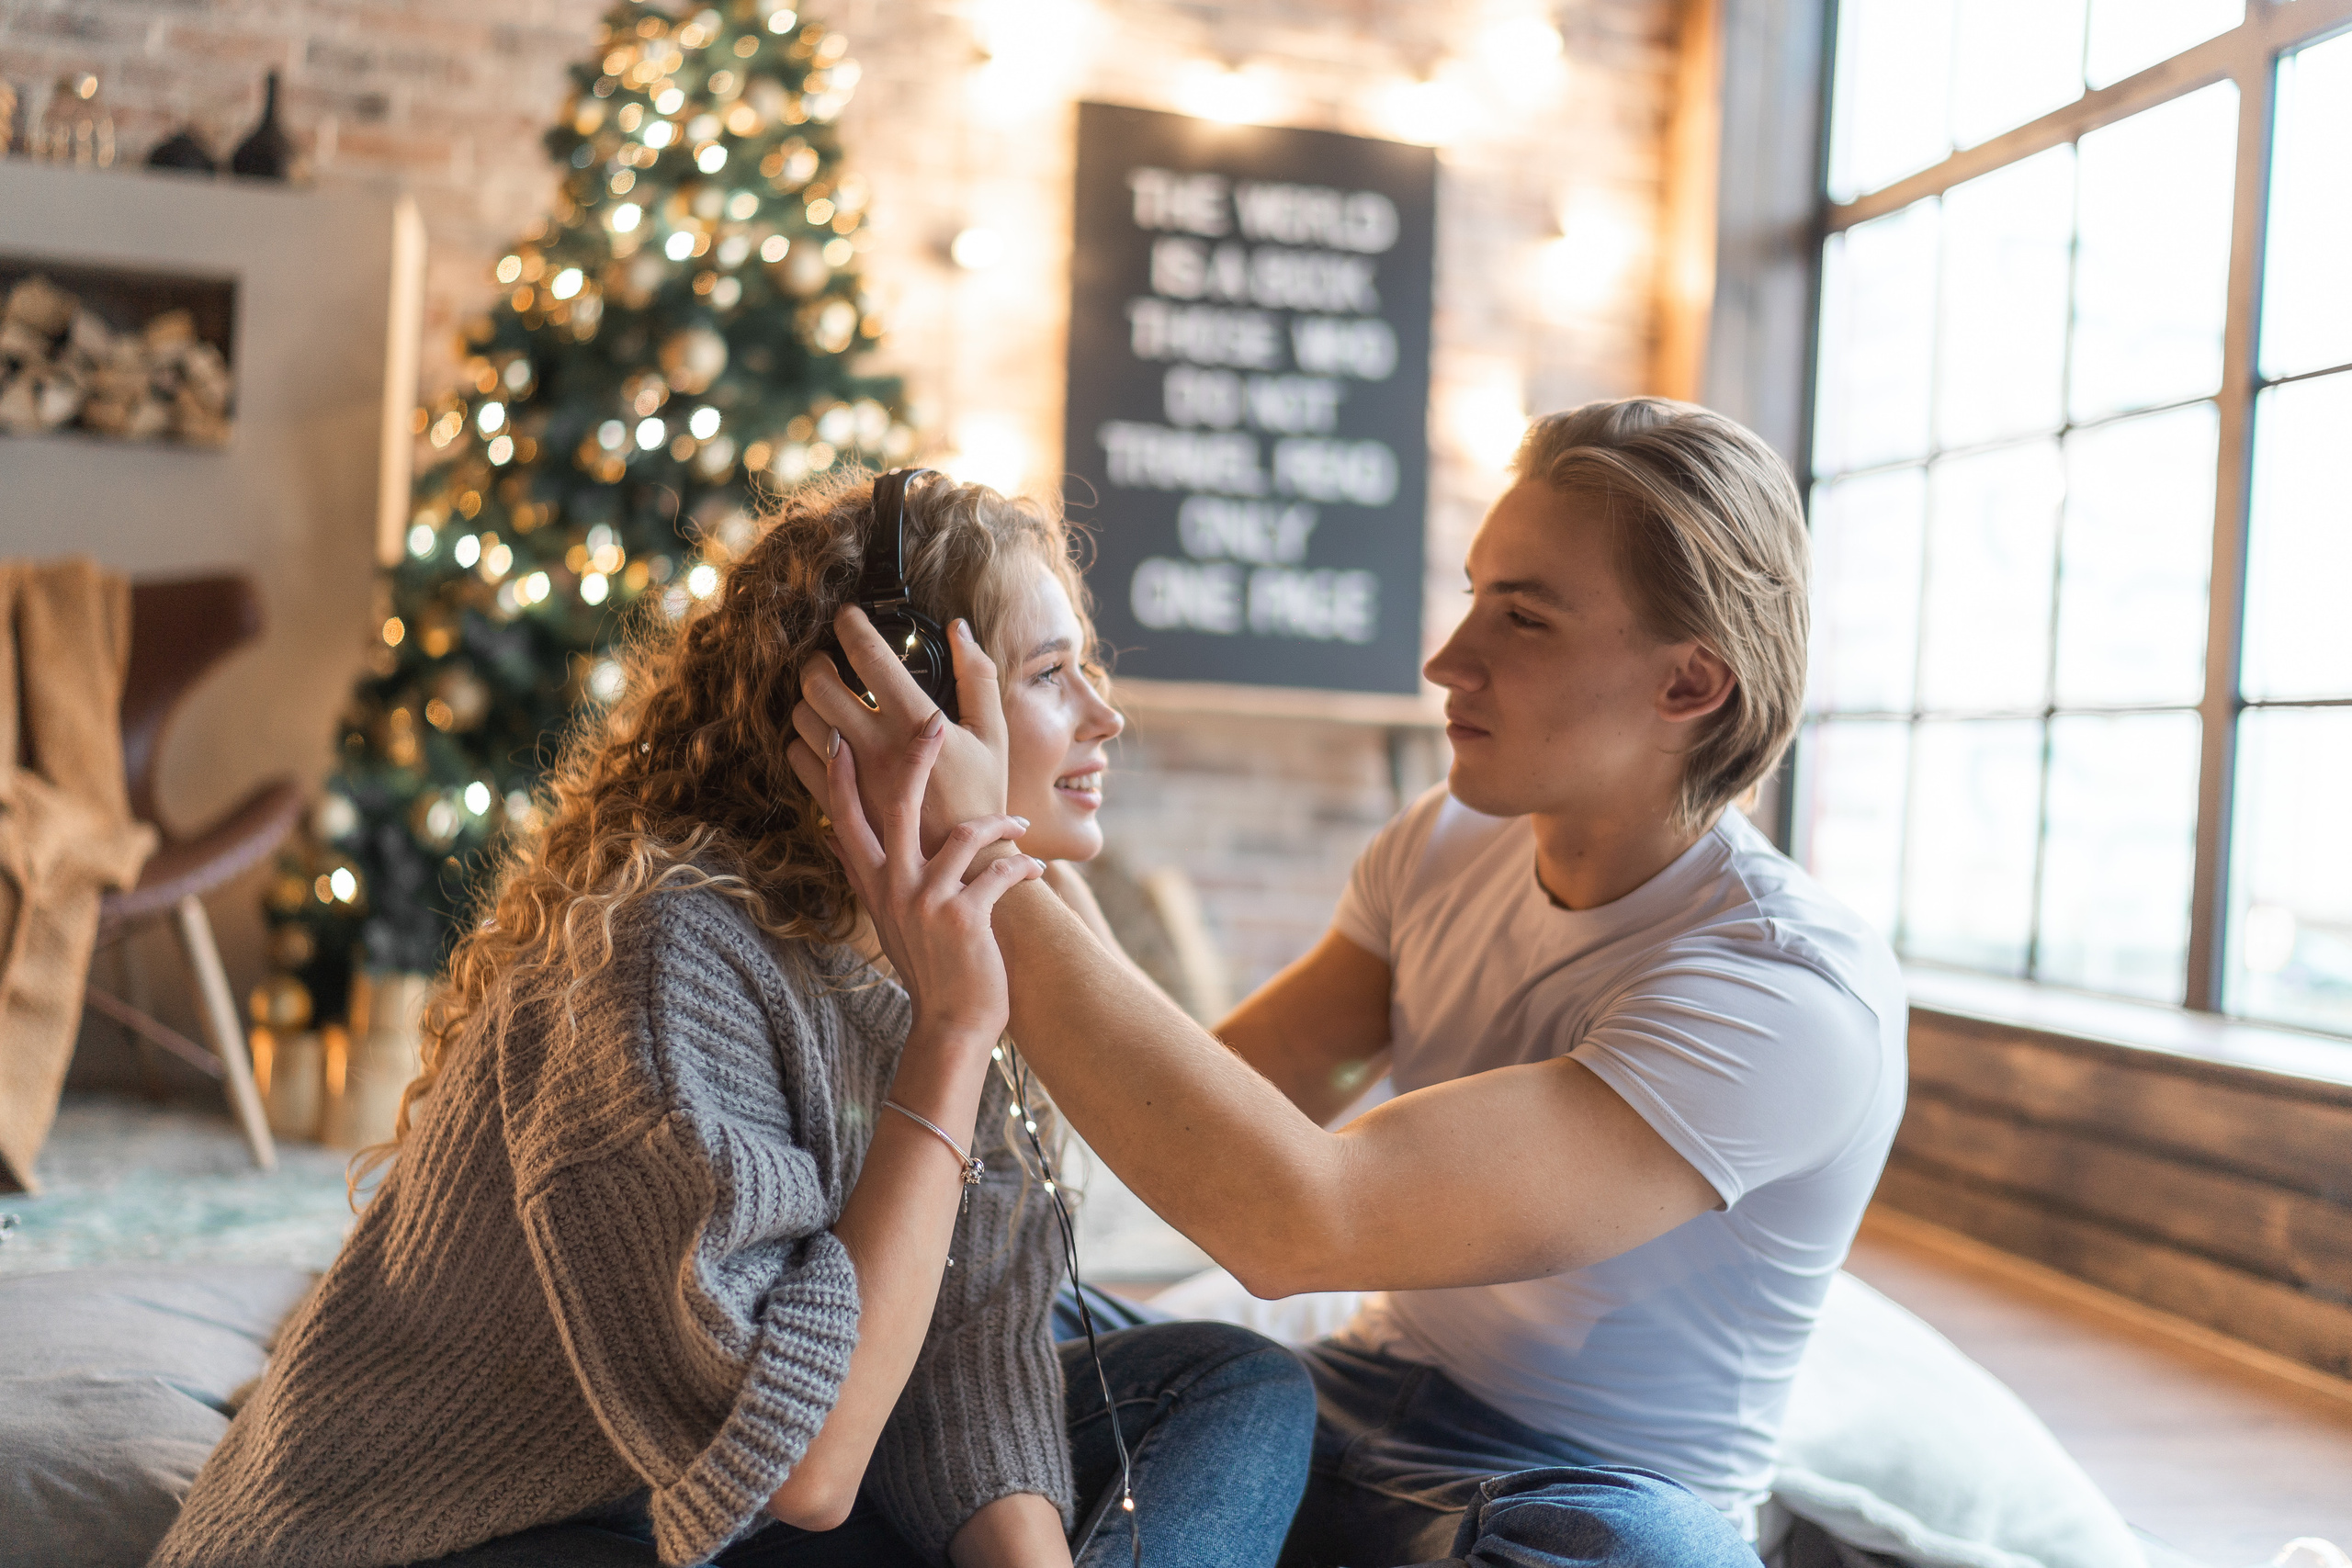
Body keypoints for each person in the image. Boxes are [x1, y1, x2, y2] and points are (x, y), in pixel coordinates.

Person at [793, 400, 1909, 1568]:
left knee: (1662, 1560)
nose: (1447, 660)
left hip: (1565, 1494)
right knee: (964, 1327)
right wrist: (1027, 838)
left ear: (1689, 685)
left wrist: (973, 854)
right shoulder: (1448, 844)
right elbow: (1219, 1102)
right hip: (1335, 1406)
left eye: (1522, 617)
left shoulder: (1784, 995)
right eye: (1473, 594)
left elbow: (1296, 1223)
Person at [153, 472, 1314, 1568]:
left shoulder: (963, 949)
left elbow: (963, 1358)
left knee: (1232, 1388)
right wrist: (954, 1034)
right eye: (1052, 673)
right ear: (902, 701)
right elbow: (803, 1472)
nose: (1106, 716)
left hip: (693, 1511)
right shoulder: (668, 955)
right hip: (468, 1534)